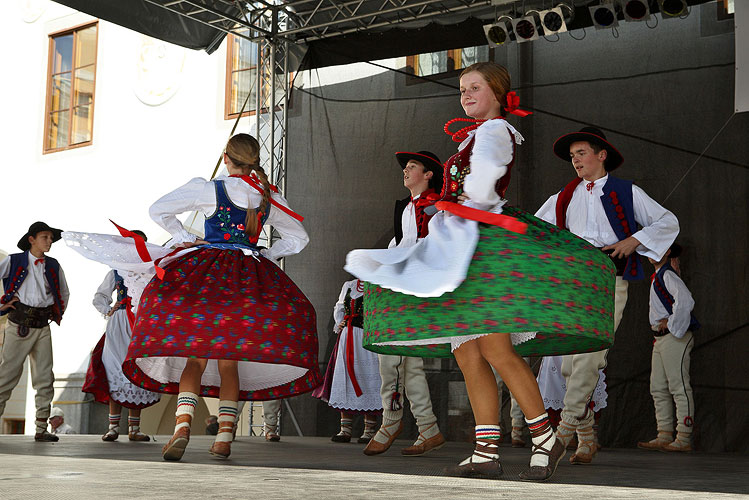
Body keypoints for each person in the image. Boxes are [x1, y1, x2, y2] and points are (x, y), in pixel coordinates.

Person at [347, 63, 615, 481]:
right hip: (461, 241)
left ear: (498, 93)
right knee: (466, 351)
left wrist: (451, 207)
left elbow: (484, 187)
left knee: (493, 346)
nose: (466, 94)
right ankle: (486, 448)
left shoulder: (496, 132)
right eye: (462, 89)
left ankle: (545, 437)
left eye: (475, 87)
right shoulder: (478, 133)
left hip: (482, 244)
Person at [63, 133, 321, 461]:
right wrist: (265, 255)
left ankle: (182, 427)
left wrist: (185, 236)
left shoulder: (209, 188)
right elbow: (299, 237)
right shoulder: (267, 196)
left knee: (195, 357)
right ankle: (225, 435)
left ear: (226, 157)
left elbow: (158, 210)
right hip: (247, 282)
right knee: (229, 361)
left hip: (206, 277)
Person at [535, 126, 679, 465]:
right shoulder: (564, 195)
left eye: (581, 153)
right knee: (570, 362)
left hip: (608, 277)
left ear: (602, 155)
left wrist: (633, 241)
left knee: (589, 356)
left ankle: (562, 435)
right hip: (574, 283)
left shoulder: (626, 191)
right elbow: (536, 229)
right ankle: (587, 438)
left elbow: (666, 222)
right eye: (572, 157)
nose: (575, 161)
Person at [361, 151, 446, 456]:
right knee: (408, 363)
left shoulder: (438, 207)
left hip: (421, 290)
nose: (406, 171)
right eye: (406, 168)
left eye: (412, 167)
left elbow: (438, 247)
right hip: (404, 287)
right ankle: (428, 428)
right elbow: (398, 246)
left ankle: (391, 420)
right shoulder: (405, 209)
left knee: (392, 356)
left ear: (429, 175)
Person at [83, 230, 160, 442]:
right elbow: (100, 296)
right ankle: (113, 426)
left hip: (141, 323)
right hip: (119, 323)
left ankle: (134, 429)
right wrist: (108, 309)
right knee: (114, 368)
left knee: (138, 368)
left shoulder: (151, 269)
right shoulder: (116, 270)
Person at [0, 222, 70, 442]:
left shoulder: (53, 264)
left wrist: (55, 312)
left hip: (42, 324)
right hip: (18, 323)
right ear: (31, 239)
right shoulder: (13, 260)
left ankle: (41, 427)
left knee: (44, 377)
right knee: (7, 376)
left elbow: (64, 292)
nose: (49, 241)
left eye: (51, 238)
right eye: (45, 237)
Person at [638, 243, 698, 452]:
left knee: (678, 385)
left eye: (658, 250)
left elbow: (685, 301)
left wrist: (672, 324)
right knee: (658, 387)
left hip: (673, 337)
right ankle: (664, 433)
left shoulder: (667, 275)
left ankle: (683, 435)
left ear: (667, 253)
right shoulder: (660, 275)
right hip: (661, 339)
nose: (652, 255)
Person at [313, 278, 382, 445]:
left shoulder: (378, 285)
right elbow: (339, 307)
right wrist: (340, 323)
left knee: (368, 379)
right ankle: (345, 429)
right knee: (346, 379)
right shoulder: (349, 286)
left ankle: (369, 430)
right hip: (348, 337)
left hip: (368, 339)